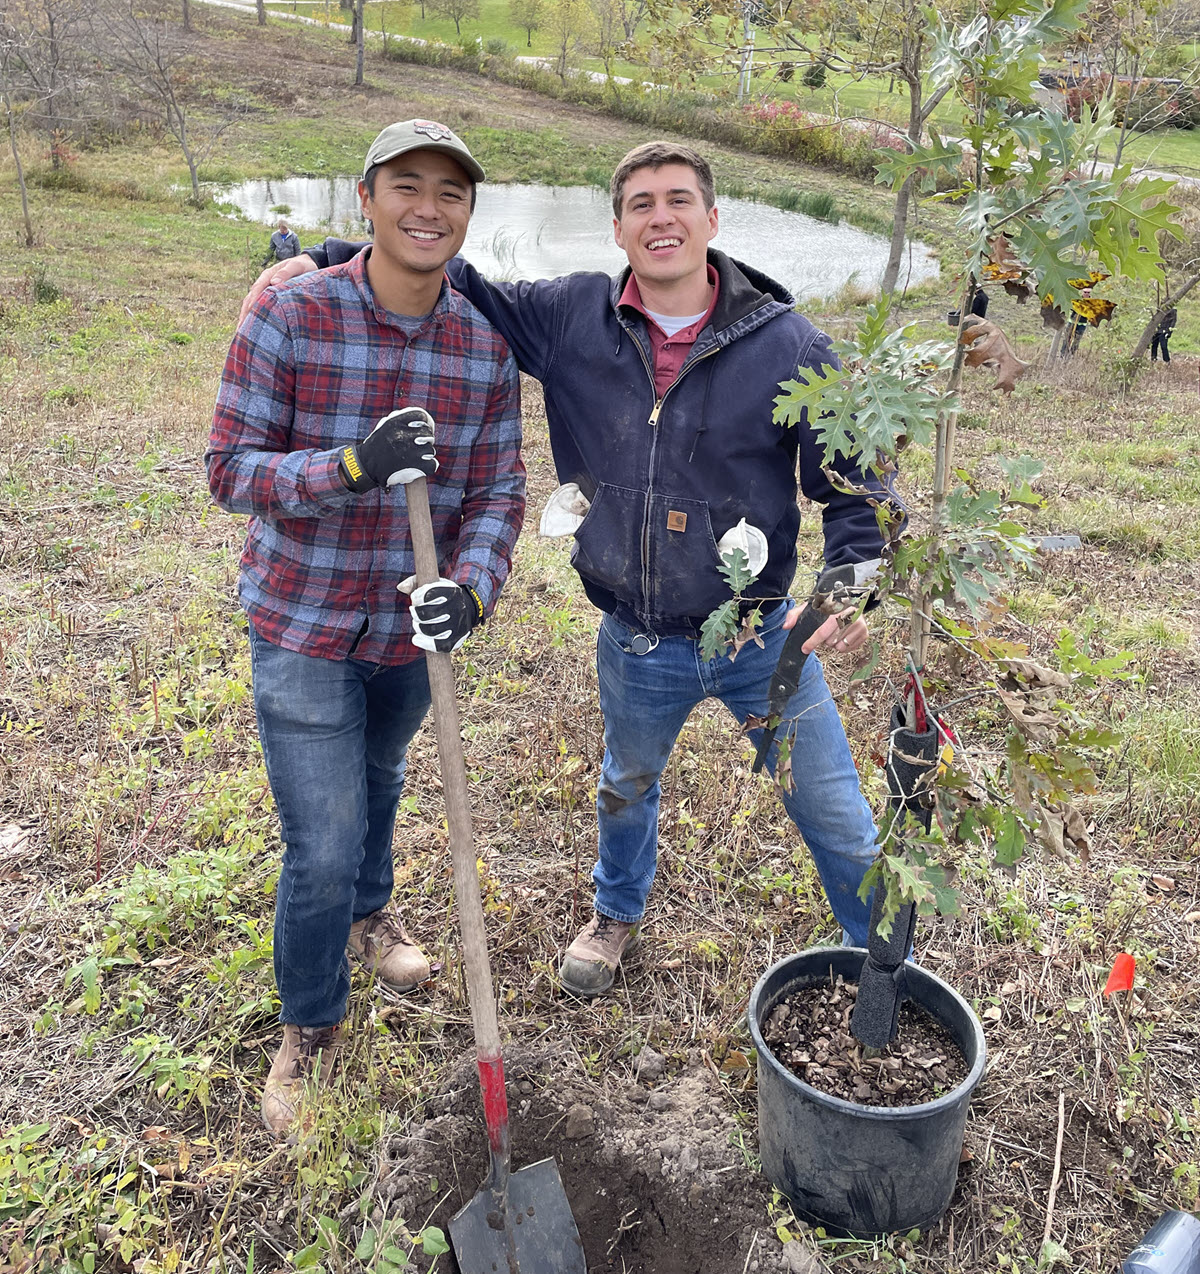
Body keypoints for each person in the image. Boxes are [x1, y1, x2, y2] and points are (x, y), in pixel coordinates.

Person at [241, 141, 891, 1001]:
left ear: (712, 219)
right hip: (636, 637)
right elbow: (449, 272)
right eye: (642, 205)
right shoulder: (570, 316)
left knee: (838, 818)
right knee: (626, 785)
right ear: (618, 227)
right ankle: (615, 915)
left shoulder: (793, 345)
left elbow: (858, 489)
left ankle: (890, 977)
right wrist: (322, 257)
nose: (662, 218)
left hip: (760, 638)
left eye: (680, 201)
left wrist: (851, 578)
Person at [211, 119, 525, 1135]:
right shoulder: (292, 316)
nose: (428, 207)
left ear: (468, 214)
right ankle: (308, 1027)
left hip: (406, 636)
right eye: (407, 185)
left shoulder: (482, 349)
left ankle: (369, 912)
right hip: (302, 622)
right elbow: (231, 470)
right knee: (323, 836)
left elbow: (498, 496)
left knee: (380, 783)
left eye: (451, 192)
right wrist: (348, 466)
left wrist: (470, 590)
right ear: (367, 199)